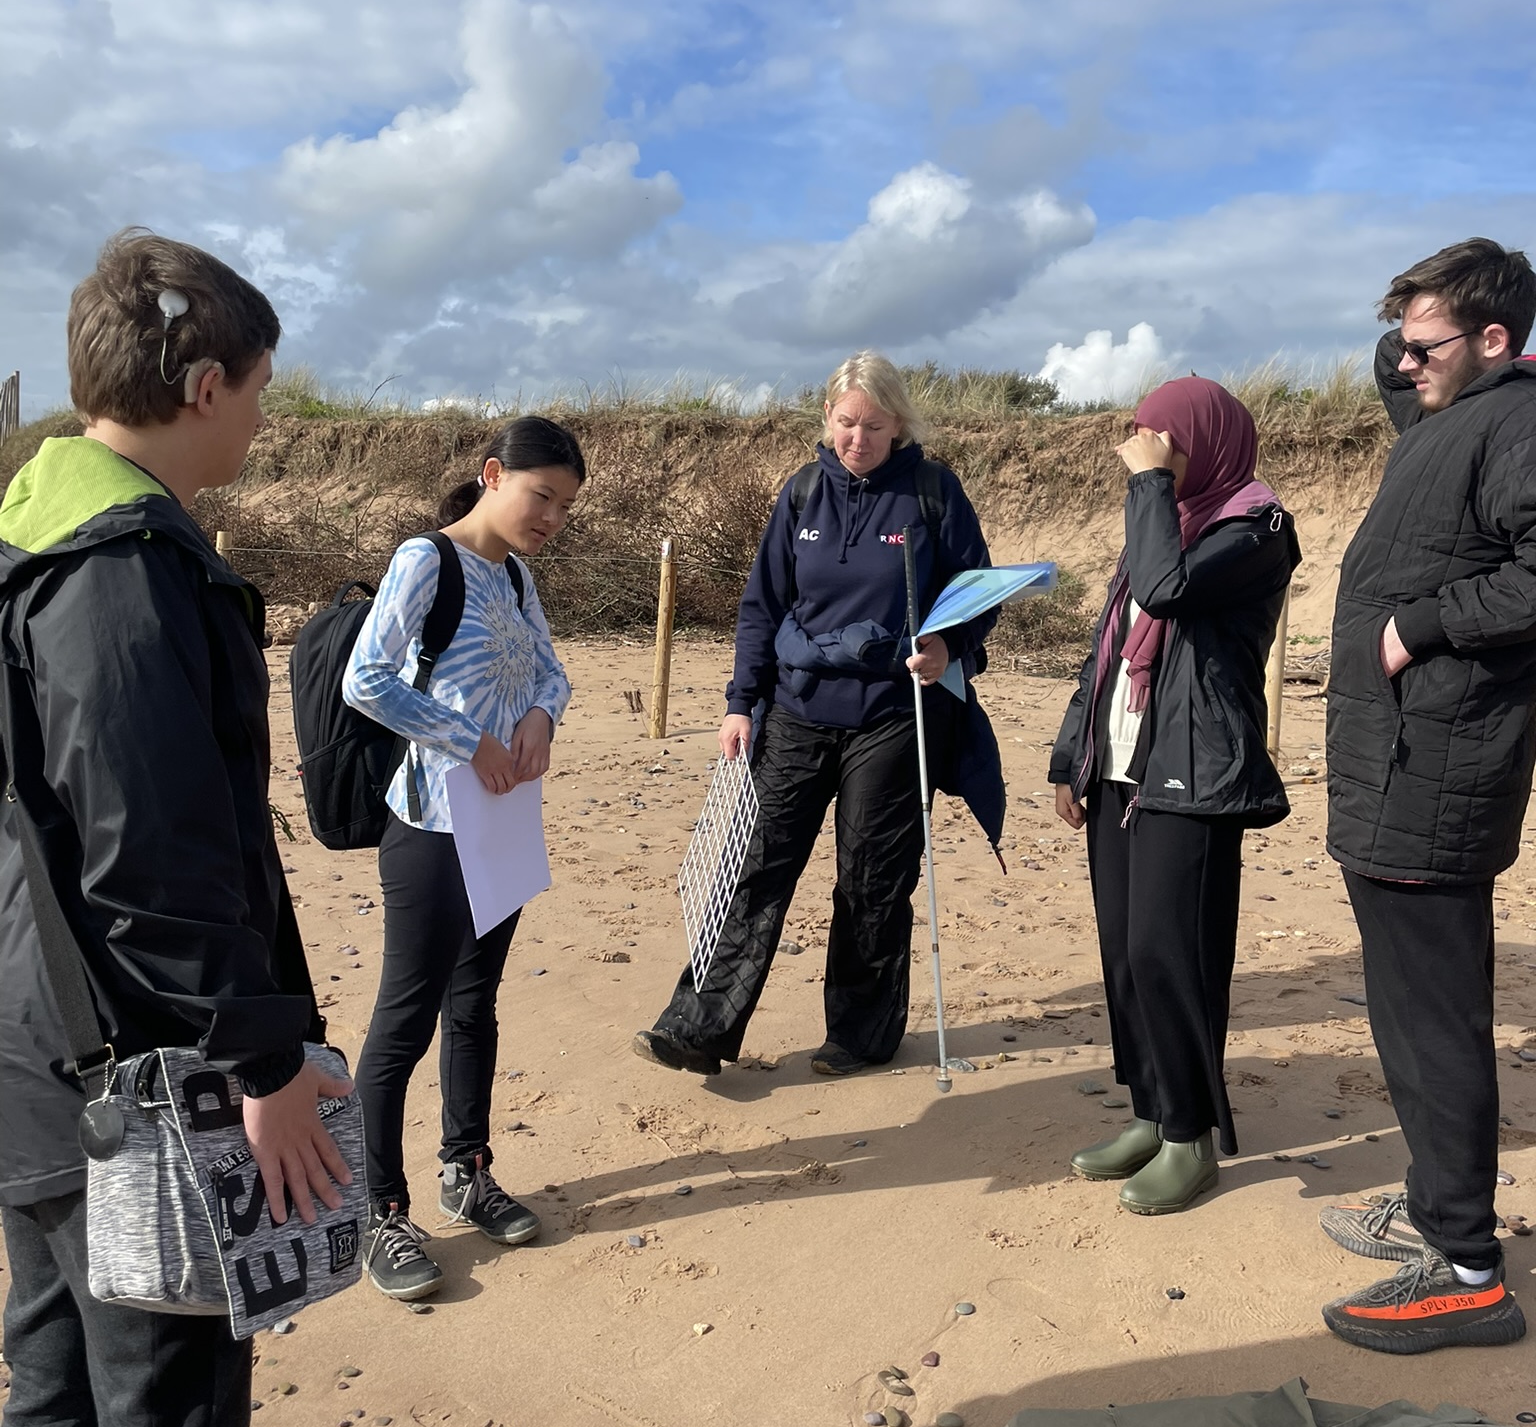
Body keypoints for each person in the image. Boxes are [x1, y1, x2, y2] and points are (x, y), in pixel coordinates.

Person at [0, 230, 349, 1427]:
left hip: (36, 1046)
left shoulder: (32, 523)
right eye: (260, 388)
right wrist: (263, 1062)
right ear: (200, 383)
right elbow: (149, 866)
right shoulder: (121, 575)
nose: (267, 417)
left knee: (61, 1387)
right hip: (121, 1074)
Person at [633, 350, 996, 1080]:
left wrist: (948, 648)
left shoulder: (933, 492)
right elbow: (763, 606)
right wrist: (741, 702)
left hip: (894, 715)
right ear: (827, 417)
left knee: (872, 876)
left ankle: (861, 1036)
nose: (855, 438)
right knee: (756, 866)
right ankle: (700, 1027)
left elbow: (978, 594)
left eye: (871, 425)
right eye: (844, 422)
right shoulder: (802, 492)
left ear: (898, 424)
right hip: (798, 709)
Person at [1319, 237, 1536, 1353]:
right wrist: (1416, 325)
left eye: (1425, 345)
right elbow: (1385, 356)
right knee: (1410, 1010)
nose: (1402, 362)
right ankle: (1437, 1197)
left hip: (1438, 765)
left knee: (1436, 1017)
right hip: (1397, 759)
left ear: (1496, 340)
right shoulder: (1449, 408)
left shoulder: (1513, 417)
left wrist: (1418, 627)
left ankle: (1465, 1266)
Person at [341, 417, 582, 1301]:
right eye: (540, 495)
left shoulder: (516, 576)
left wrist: (538, 719)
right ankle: (378, 1210)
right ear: (493, 475)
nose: (550, 516)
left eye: (564, 506)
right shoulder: (425, 561)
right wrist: (469, 738)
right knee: (403, 1022)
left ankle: (464, 1170)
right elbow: (366, 680)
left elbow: (553, 671)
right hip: (432, 826)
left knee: (473, 1005)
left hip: (504, 824)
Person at [1049, 378, 1299, 1214]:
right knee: (1123, 950)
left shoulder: (1258, 524)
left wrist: (1150, 484)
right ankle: (1151, 1112)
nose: (1148, 452)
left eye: (1167, 440)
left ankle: (1191, 1136)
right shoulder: (1164, 524)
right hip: (1124, 763)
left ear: (1207, 441)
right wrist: (1069, 757)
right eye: (1142, 439)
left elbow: (1167, 591)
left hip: (1196, 771)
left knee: (1171, 949)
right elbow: (1111, 647)